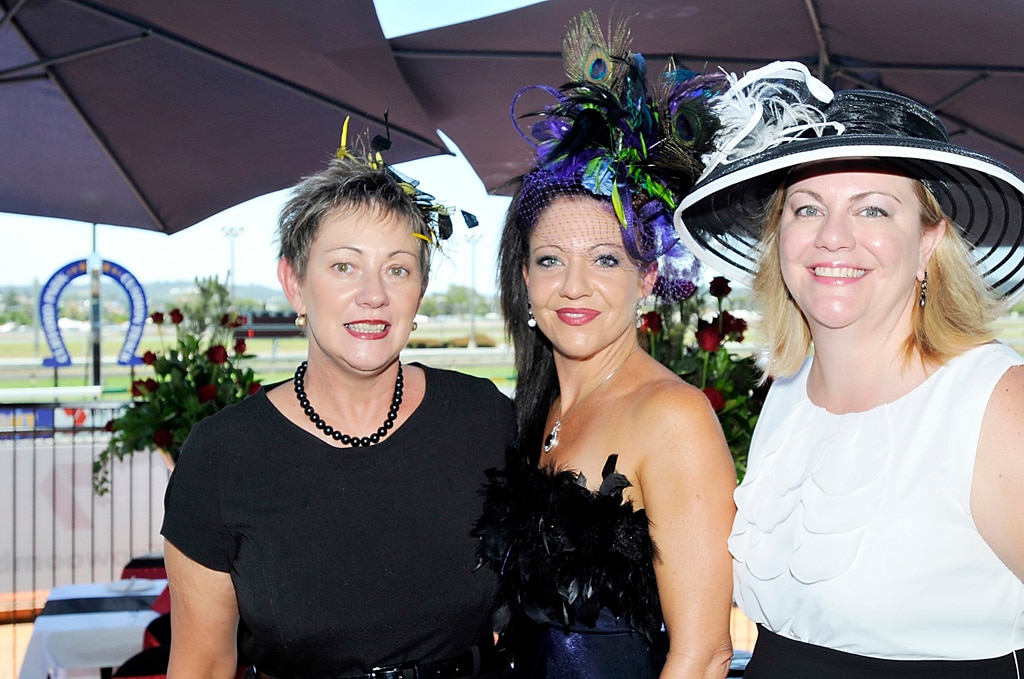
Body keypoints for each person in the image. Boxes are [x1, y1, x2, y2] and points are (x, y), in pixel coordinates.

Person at [674, 61, 1024, 678]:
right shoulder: (787, 395)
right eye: (806, 209)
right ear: (778, 238)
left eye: (873, 211)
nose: (833, 237)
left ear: (928, 241)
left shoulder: (993, 403)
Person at [160, 130, 516, 679]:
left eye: (397, 268)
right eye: (344, 266)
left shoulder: (484, 419)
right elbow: (202, 664)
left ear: (418, 291)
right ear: (295, 284)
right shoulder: (222, 456)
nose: (373, 294)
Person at [473, 11, 737, 679]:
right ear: (525, 279)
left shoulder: (672, 419)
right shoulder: (534, 412)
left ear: (648, 276)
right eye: (551, 260)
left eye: (607, 260)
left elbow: (702, 654)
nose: (575, 286)